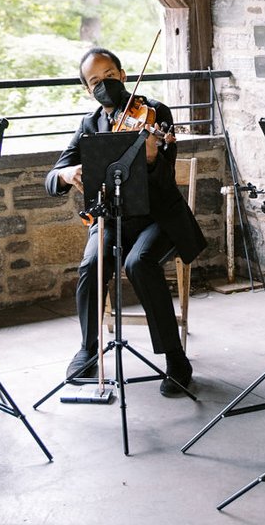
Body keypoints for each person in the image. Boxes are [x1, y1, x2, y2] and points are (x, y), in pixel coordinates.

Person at [46, 46, 205, 395]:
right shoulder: (90, 125)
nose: (104, 84)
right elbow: (53, 175)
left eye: (109, 76)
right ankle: (88, 349)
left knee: (140, 263)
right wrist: (68, 173)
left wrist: (151, 159)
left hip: (158, 217)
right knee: (92, 263)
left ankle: (176, 359)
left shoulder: (155, 112)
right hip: (114, 218)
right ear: (88, 90)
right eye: (95, 81)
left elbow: (164, 181)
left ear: (124, 76)